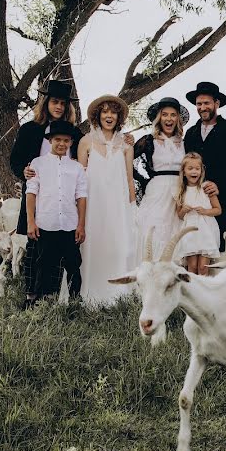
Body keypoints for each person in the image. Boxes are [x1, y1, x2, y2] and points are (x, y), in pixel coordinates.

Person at [9, 79, 81, 308]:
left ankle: (53, 295)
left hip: (64, 198)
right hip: (38, 194)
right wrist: (23, 170)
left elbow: (81, 157)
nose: (59, 107)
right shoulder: (30, 130)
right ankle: (32, 294)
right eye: (55, 102)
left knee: (61, 248)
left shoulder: (74, 133)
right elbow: (15, 159)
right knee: (35, 247)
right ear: (46, 103)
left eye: (63, 103)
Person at [78, 94, 136, 305]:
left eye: (113, 112)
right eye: (105, 111)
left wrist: (132, 208)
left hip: (118, 206)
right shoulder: (85, 142)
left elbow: (129, 179)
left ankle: (117, 297)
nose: (109, 116)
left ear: (118, 117)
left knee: (118, 245)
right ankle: (92, 296)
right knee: (93, 245)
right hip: (94, 206)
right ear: (98, 115)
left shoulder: (126, 145)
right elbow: (79, 180)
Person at [25, 120, 87, 305]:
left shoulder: (76, 168)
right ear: (50, 140)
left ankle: (75, 301)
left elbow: (81, 196)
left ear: (71, 143)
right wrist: (31, 221)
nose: (62, 144)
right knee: (44, 265)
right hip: (46, 223)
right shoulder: (38, 164)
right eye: (57, 139)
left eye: (66, 140)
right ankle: (40, 301)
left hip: (69, 224)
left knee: (74, 265)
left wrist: (81, 225)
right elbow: (31, 193)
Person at [183, 81, 226, 252]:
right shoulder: (191, 132)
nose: (202, 107)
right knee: (193, 246)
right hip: (194, 199)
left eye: (206, 103)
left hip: (218, 198)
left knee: (217, 247)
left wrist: (219, 185)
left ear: (216, 103)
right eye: (199, 104)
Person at [132, 97, 188, 260]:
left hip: (179, 191)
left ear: (178, 118)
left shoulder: (185, 142)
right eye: (165, 114)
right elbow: (128, 161)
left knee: (175, 231)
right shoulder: (148, 141)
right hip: (156, 190)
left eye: (173, 115)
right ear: (159, 117)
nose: (169, 118)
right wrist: (144, 180)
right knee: (153, 230)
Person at [175, 153, 221, 275]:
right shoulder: (181, 191)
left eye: (197, 168)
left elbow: (218, 210)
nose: (194, 171)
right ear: (184, 172)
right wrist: (184, 210)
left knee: (202, 267)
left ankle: (203, 291)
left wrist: (205, 211)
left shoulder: (206, 187)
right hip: (190, 232)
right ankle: (192, 291)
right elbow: (179, 215)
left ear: (201, 170)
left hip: (206, 231)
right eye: (190, 169)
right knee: (192, 266)